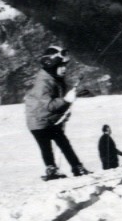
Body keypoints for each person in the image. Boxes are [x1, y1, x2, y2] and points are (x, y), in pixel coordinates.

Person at [23, 46, 86, 180]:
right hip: (38, 121)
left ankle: (76, 167)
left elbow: (59, 97)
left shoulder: (55, 78)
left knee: (64, 143)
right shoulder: (43, 83)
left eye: (65, 66)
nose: (64, 69)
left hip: (50, 119)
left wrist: (74, 95)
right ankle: (52, 169)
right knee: (46, 146)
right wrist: (66, 100)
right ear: (51, 65)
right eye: (61, 66)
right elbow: (49, 105)